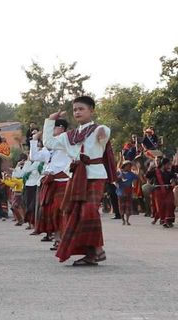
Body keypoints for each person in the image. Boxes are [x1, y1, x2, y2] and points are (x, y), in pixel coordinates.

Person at [44, 96, 116, 266]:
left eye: (81, 109)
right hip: (76, 176)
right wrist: (49, 121)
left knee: (89, 211)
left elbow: (104, 134)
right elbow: (48, 142)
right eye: (75, 109)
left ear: (91, 110)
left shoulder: (100, 128)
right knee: (73, 213)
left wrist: (101, 134)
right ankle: (91, 254)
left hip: (95, 174)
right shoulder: (70, 136)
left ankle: (97, 249)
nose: (77, 112)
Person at [30, 120, 71, 249]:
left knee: (62, 211)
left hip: (64, 181)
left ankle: (65, 239)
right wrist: (34, 140)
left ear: (61, 128)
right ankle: (57, 239)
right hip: (51, 182)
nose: (51, 131)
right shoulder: (49, 148)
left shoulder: (67, 142)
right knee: (51, 211)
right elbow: (34, 156)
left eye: (53, 128)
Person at [146, 157, 177, 228]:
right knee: (161, 206)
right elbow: (147, 176)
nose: (169, 165)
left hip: (168, 191)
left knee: (169, 204)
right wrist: (150, 167)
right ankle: (164, 221)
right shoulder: (155, 171)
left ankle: (168, 221)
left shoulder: (169, 171)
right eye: (168, 164)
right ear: (164, 164)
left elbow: (174, 177)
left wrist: (173, 180)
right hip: (159, 191)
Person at [116, 161, 138, 226]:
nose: (129, 167)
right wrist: (120, 176)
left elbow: (135, 181)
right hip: (121, 190)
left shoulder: (132, 174)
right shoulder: (119, 173)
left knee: (128, 206)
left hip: (129, 190)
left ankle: (127, 220)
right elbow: (115, 181)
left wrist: (137, 168)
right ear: (124, 166)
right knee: (121, 206)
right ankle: (123, 219)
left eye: (130, 166)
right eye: (128, 166)